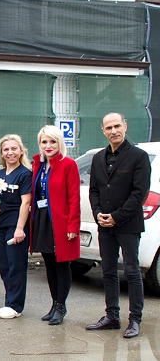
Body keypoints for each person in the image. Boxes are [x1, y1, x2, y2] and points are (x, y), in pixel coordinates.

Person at [85, 113, 150, 338]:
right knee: (108, 272)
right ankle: (112, 316)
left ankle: (134, 320)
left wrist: (117, 216)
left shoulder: (139, 157)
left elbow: (139, 193)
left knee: (132, 272)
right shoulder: (98, 158)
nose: (113, 131)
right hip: (105, 225)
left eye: (117, 126)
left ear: (125, 126)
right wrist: (97, 214)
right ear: (103, 130)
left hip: (128, 224)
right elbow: (94, 190)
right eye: (108, 127)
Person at [30, 125, 80, 325]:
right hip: (42, 218)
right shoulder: (39, 165)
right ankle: (54, 304)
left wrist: (72, 226)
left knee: (61, 264)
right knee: (48, 263)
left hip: (60, 220)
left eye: (52, 141)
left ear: (60, 143)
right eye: (44, 142)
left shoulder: (68, 164)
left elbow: (74, 198)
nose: (48, 146)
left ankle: (61, 306)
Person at [0, 135, 32, 319]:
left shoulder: (24, 174)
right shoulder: (0, 174)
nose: (10, 153)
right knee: (4, 265)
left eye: (14, 149)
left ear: (21, 151)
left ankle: (15, 305)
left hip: (16, 226)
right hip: (1, 225)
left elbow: (26, 203)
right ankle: (9, 302)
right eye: (6, 150)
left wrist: (20, 228)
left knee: (16, 265)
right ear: (1, 153)